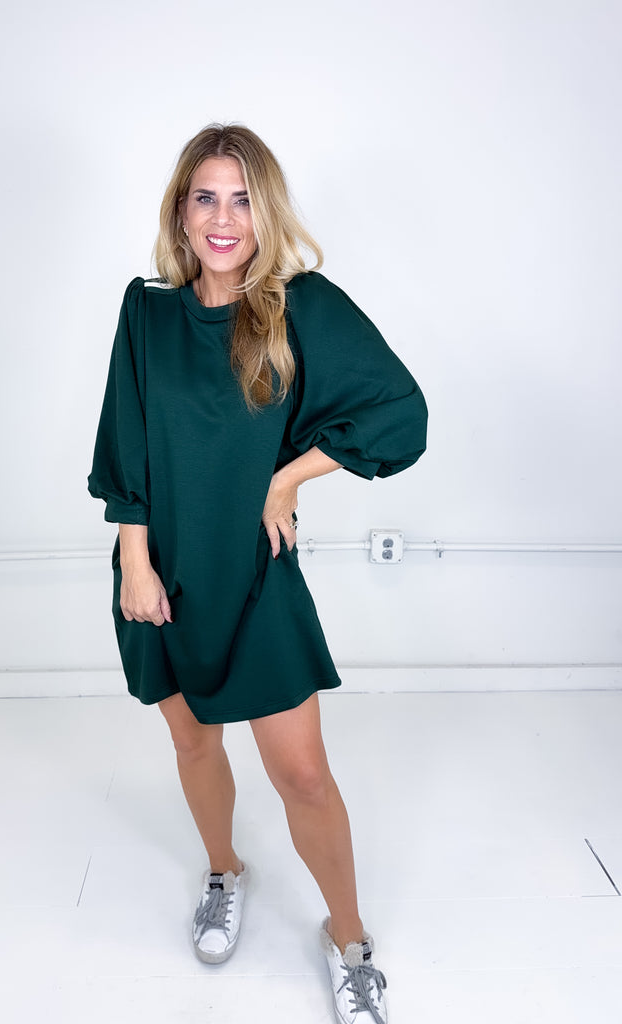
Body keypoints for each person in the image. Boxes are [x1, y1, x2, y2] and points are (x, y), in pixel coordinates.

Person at [88, 123, 427, 1024]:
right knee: (194, 744)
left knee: (303, 774)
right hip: (160, 571)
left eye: (242, 199)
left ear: (264, 212)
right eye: (206, 197)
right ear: (181, 211)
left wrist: (288, 477)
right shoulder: (147, 315)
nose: (223, 218)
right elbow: (125, 448)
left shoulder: (299, 308)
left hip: (254, 575)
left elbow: (400, 413)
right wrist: (134, 565)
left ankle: (349, 940)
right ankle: (223, 873)